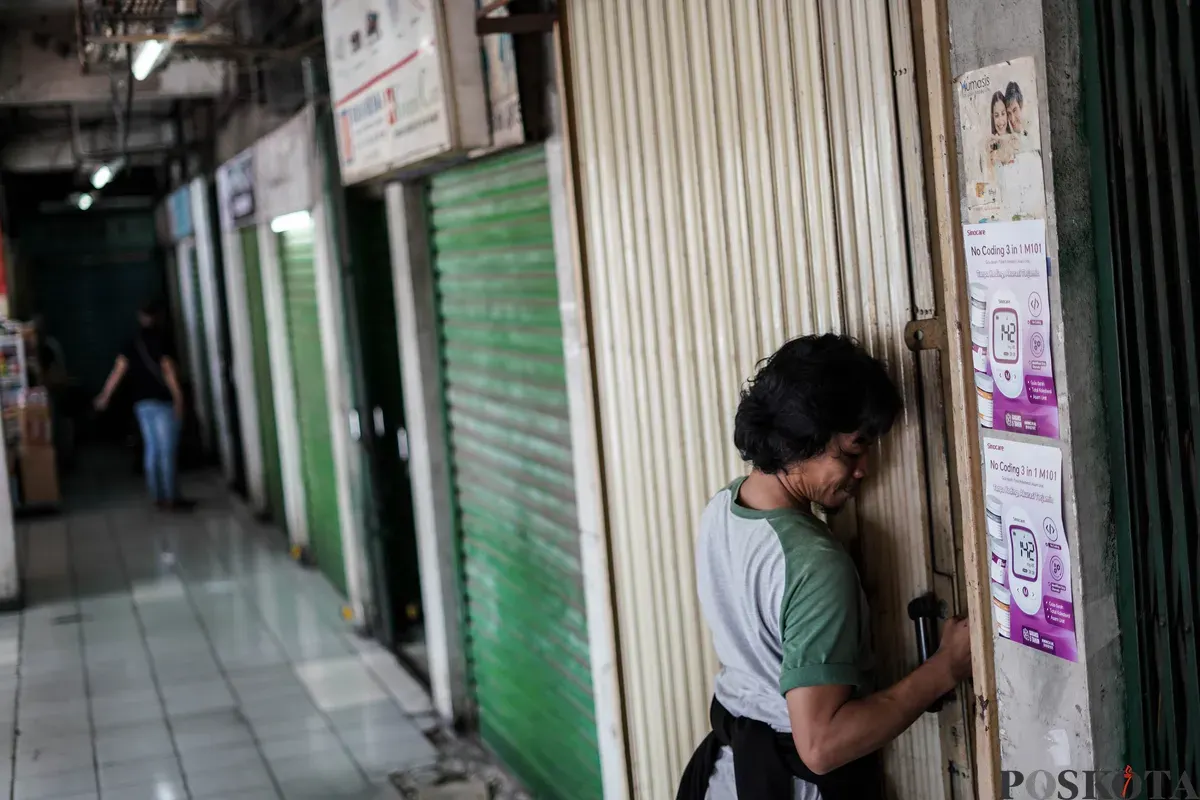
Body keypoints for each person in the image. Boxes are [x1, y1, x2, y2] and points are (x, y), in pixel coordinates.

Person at [676, 334, 973, 800]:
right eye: (852, 451)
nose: (865, 470)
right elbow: (821, 745)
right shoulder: (813, 565)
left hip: (726, 777)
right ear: (802, 438)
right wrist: (947, 667)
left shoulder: (723, 508)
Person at [94, 301, 189, 510]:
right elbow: (168, 371)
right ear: (158, 316)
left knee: (152, 450)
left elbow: (117, 372)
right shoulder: (162, 340)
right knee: (167, 451)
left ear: (140, 317)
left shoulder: (131, 343)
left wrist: (105, 396)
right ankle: (172, 497)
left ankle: (157, 496)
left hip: (141, 403)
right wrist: (179, 399)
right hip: (163, 402)